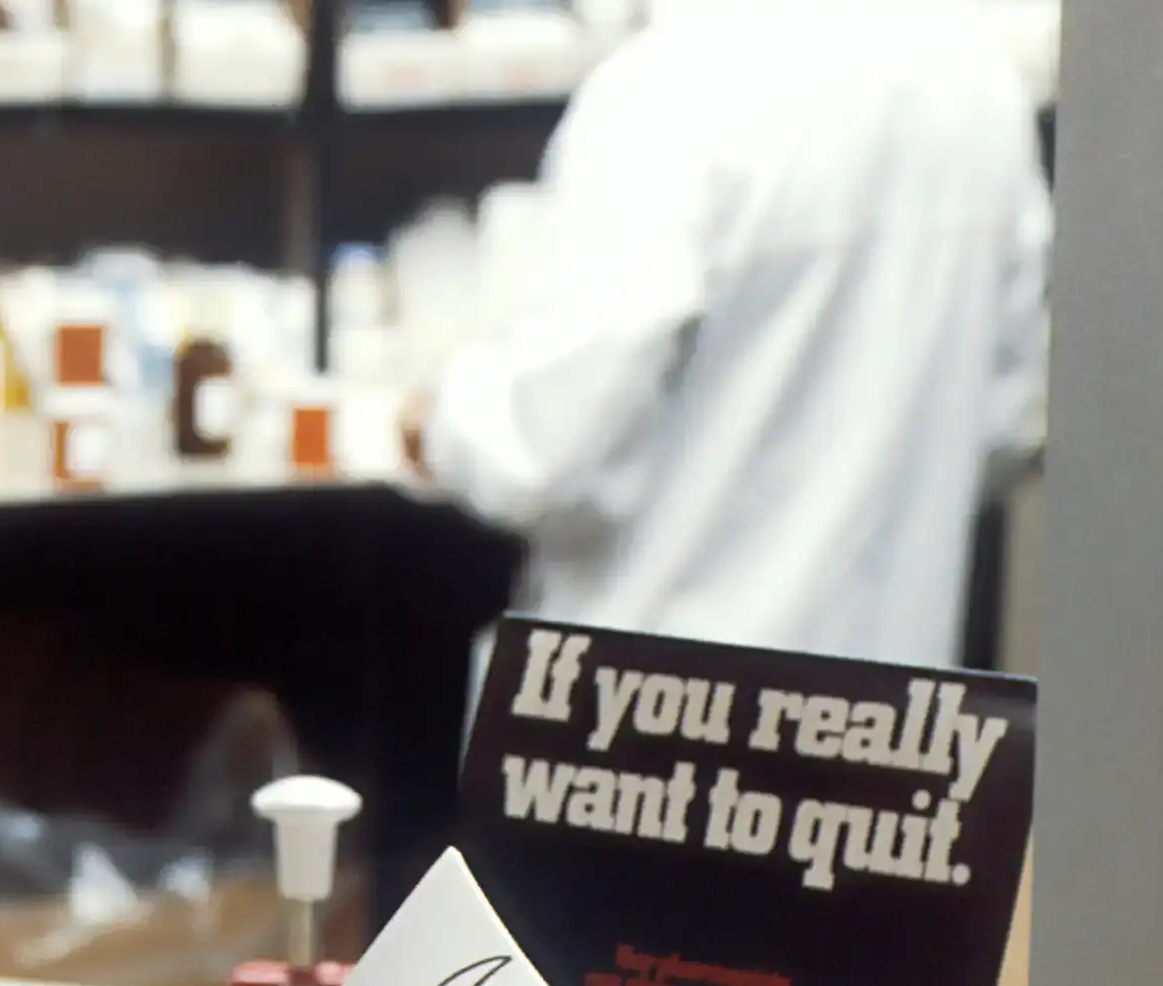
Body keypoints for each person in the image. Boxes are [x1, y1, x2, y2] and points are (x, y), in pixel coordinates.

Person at [416, 0, 1051, 670]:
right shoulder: (977, 82)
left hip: (659, 714)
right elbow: (1013, 416)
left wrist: (443, 416)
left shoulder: (669, 90)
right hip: (889, 710)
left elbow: (545, 450)